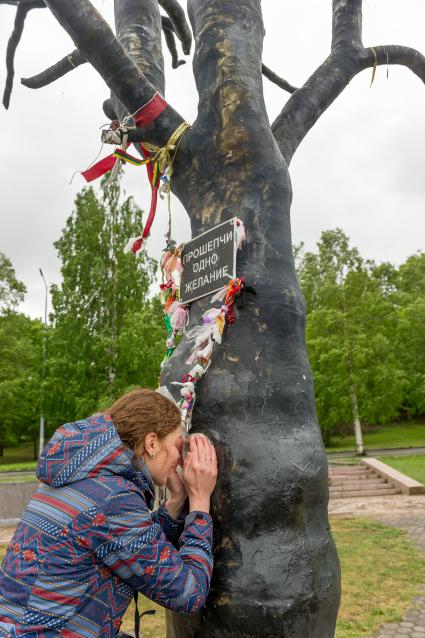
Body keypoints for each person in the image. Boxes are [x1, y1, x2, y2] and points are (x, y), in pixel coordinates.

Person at [0, 388, 218, 637]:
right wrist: (200, 502)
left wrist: (176, 502)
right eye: (178, 444)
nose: (179, 458)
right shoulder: (113, 497)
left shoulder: (81, 474)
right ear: (152, 443)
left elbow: (124, 544)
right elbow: (188, 594)